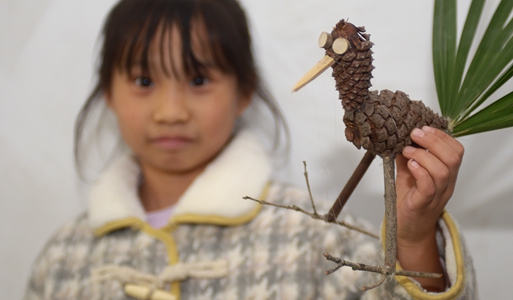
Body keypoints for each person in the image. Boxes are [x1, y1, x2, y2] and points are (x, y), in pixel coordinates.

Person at [24, 0, 477, 299]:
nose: (170, 111)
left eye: (199, 80)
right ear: (108, 92)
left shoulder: (318, 237)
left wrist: (415, 239)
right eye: (144, 82)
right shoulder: (62, 260)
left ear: (244, 91)